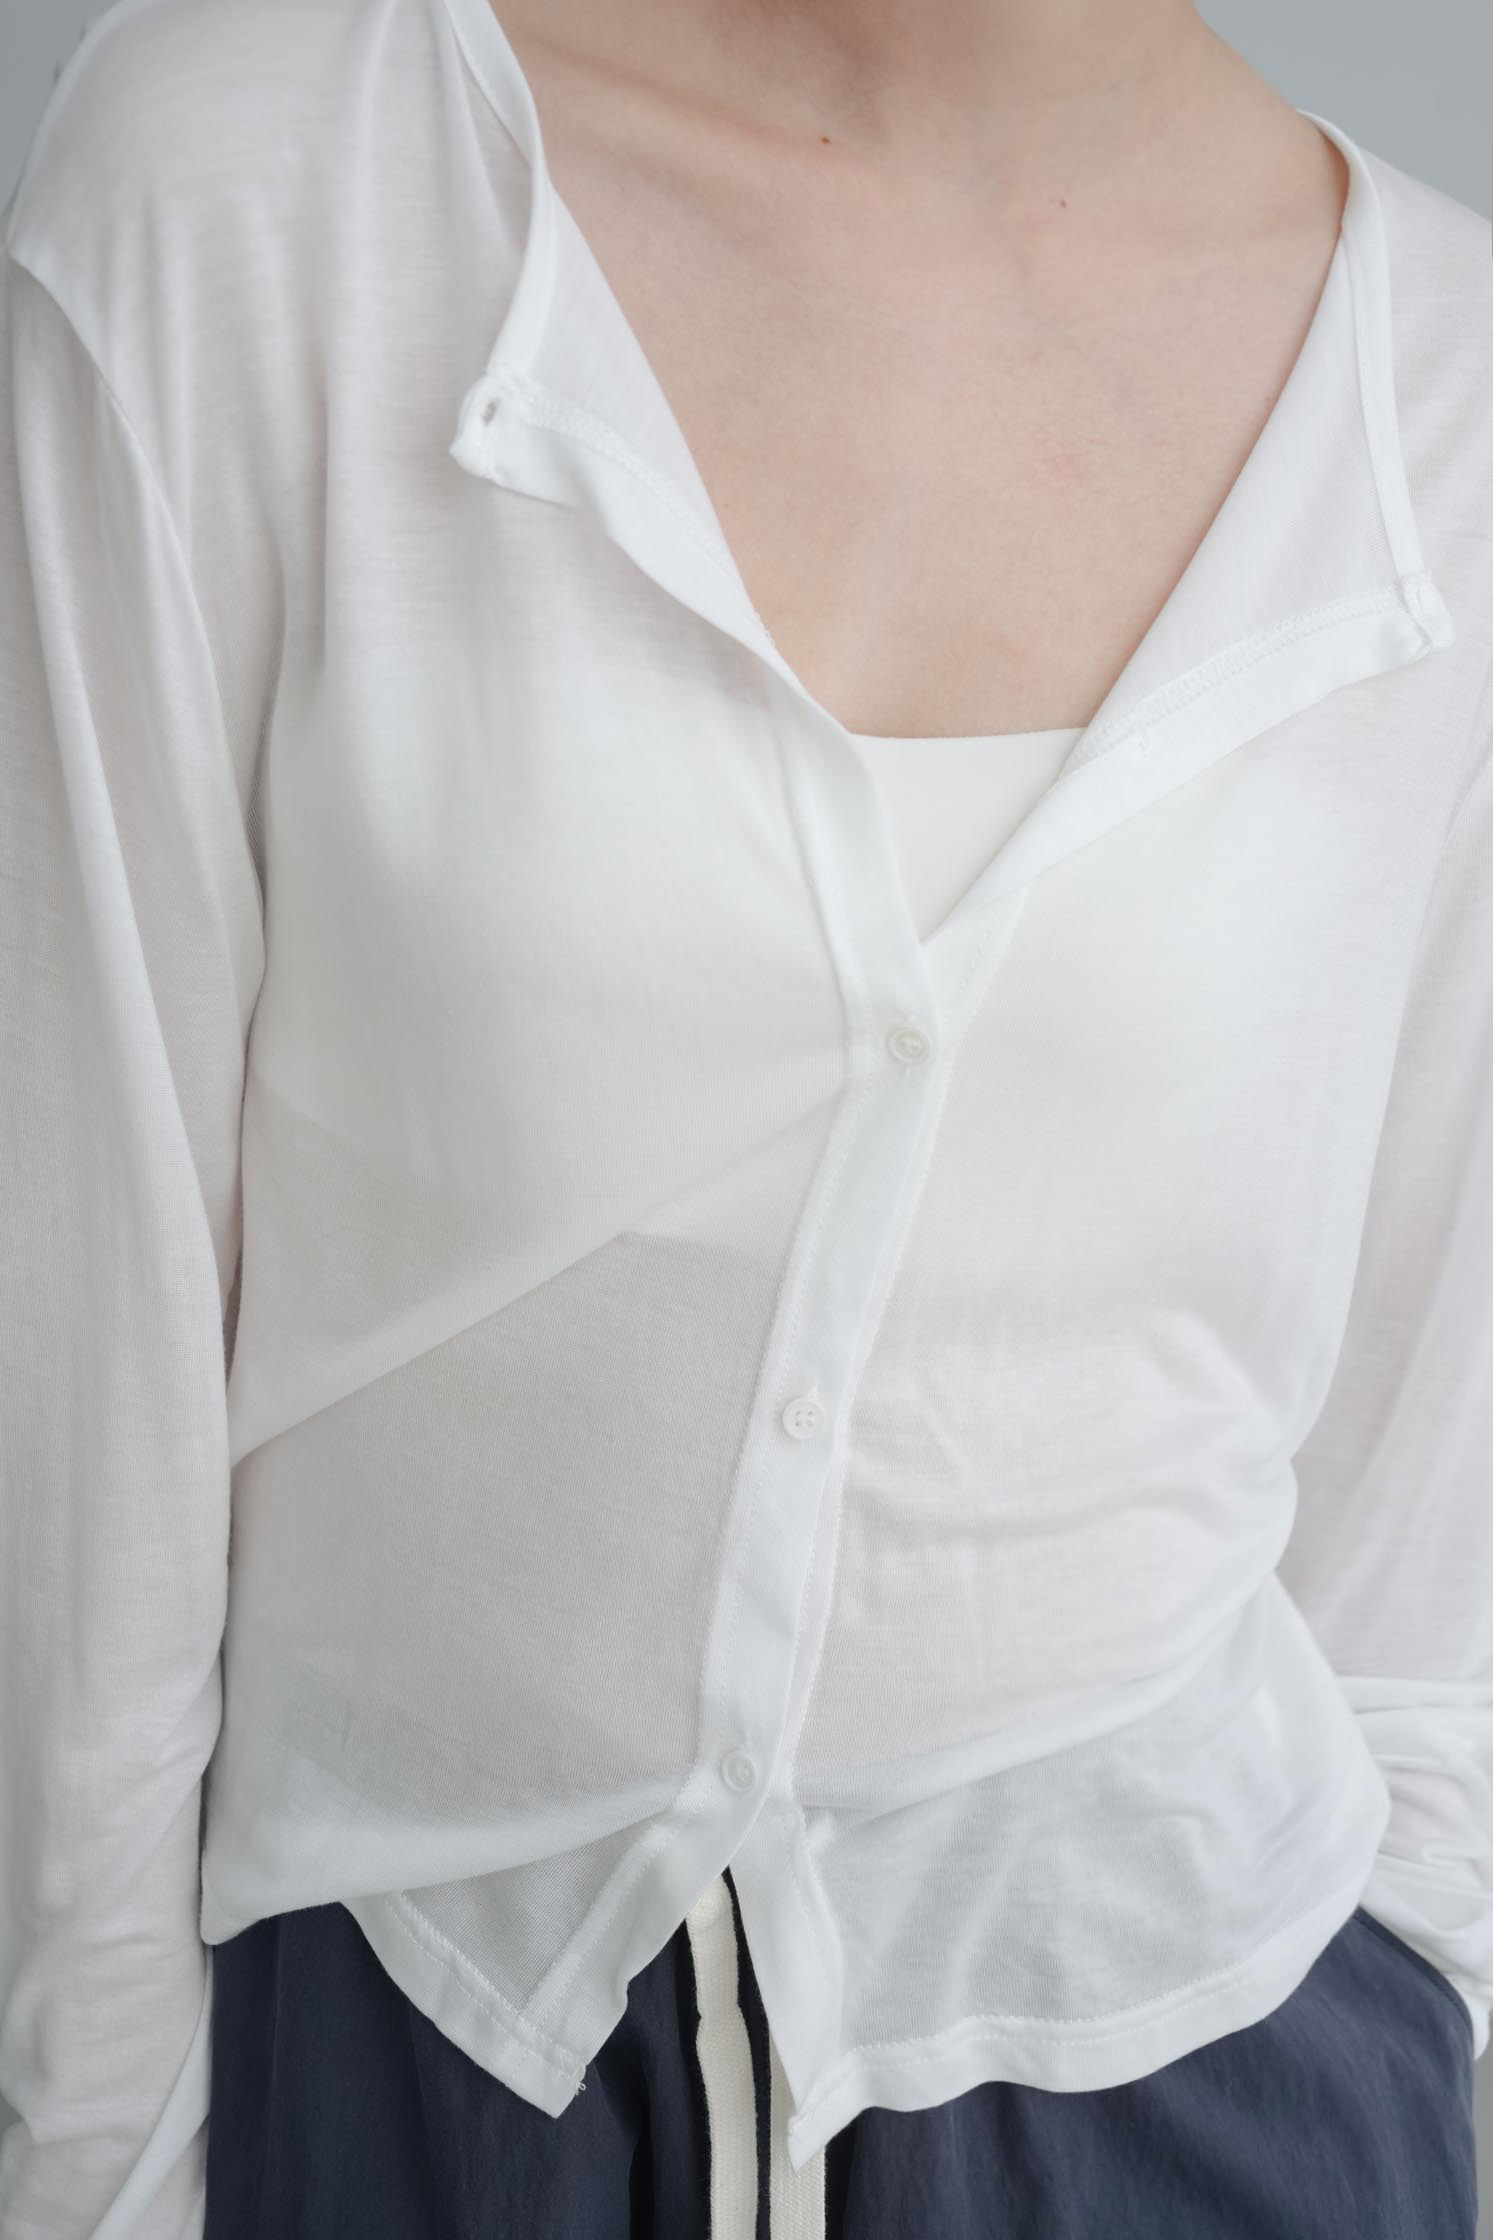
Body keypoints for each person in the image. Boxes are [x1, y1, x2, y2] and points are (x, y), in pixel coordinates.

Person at [1, 0, 1489, 2232]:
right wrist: (101, 2179)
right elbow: (73, 1363)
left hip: (1210, 2082)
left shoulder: (1447, 394)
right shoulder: (260, 180)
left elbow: (1423, 1520)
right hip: (415, 2066)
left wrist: (1417, 1990)